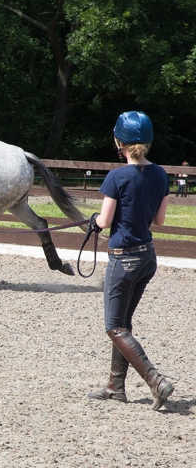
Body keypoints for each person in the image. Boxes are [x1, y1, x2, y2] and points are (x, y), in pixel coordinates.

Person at [88, 111, 174, 411]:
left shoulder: (116, 177)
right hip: (147, 257)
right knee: (123, 323)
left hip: (123, 259)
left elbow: (104, 219)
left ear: (119, 142)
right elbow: (160, 220)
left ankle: (156, 381)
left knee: (114, 326)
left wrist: (95, 223)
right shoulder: (162, 174)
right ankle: (115, 386)